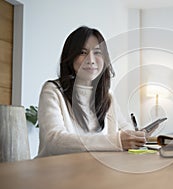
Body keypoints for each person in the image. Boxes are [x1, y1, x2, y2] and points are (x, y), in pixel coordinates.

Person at [37, 26, 147, 157]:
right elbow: (53, 141)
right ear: (70, 56)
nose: (91, 60)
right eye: (83, 52)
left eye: (97, 52)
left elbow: (124, 127)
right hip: (57, 171)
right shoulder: (53, 90)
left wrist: (137, 135)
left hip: (95, 170)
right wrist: (115, 141)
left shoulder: (107, 95)